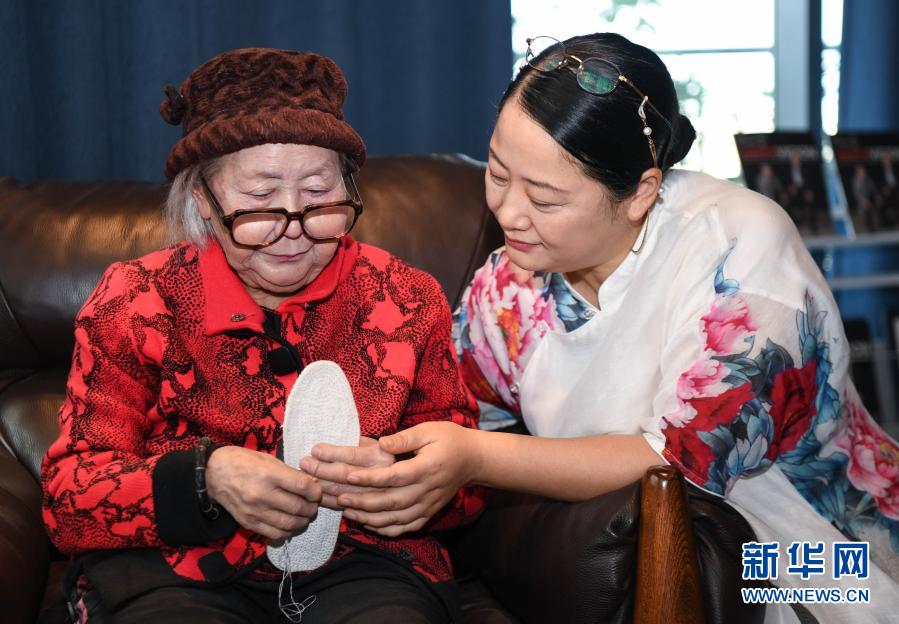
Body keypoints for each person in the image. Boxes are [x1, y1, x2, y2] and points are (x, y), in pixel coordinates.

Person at [302, 33, 899, 623]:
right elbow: (450, 403)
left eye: (544, 199)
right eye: (499, 174)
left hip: (818, 546)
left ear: (640, 193)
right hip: (663, 542)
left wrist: (475, 457)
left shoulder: (737, 254)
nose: (508, 212)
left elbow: (678, 461)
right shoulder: (511, 286)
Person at [40, 48, 483, 624]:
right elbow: (68, 500)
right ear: (202, 199)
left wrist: (411, 485)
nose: (293, 227)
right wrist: (205, 480)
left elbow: (469, 486)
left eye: (319, 193)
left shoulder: (406, 298)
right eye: (259, 198)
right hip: (173, 571)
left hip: (365, 567)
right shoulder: (135, 300)